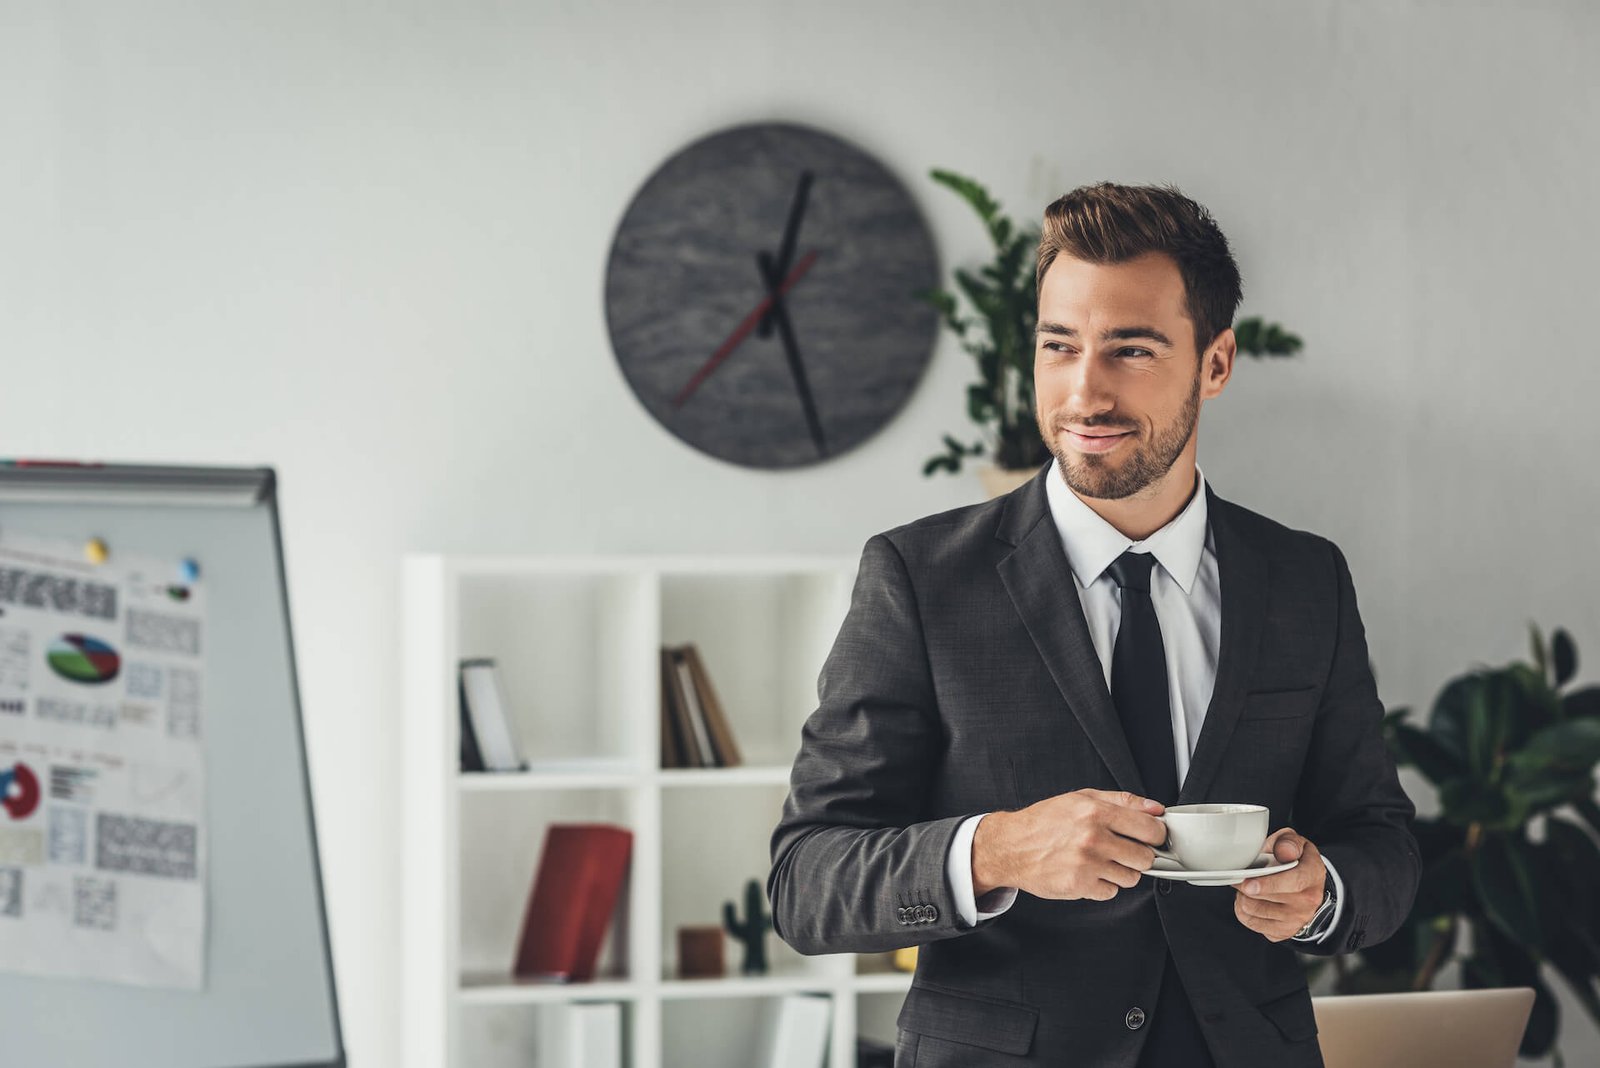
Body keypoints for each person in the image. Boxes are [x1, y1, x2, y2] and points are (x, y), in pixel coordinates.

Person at [767, 182, 1420, 1068]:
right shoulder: (919, 580)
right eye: (1058, 346)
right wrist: (995, 850)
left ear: (1216, 364)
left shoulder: (1306, 580)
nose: (1084, 392)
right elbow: (807, 881)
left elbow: (1380, 840)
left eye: (1131, 351)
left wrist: (1323, 890)